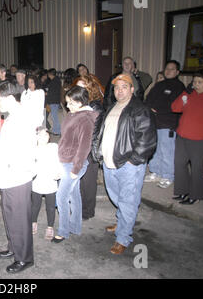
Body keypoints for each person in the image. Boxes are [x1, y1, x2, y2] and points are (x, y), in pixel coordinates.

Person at [92, 74, 156, 255]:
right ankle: (121, 223)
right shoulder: (113, 107)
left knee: (128, 201)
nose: (119, 90)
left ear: (132, 89)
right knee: (116, 197)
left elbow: (148, 139)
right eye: (117, 87)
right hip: (110, 162)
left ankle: (123, 237)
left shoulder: (139, 109)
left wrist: (133, 160)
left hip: (129, 165)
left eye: (124, 87)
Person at [0, 81, 38, 274]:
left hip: (17, 176)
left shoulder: (21, 117)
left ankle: (24, 257)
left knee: (18, 218)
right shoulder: (14, 115)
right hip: (9, 175)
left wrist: (6, 172)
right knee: (10, 215)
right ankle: (14, 247)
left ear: (10, 98)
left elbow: (22, 151)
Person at [52, 86, 98, 243]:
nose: (67, 106)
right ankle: (75, 227)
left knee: (61, 197)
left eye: (71, 102)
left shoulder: (85, 118)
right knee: (74, 195)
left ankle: (63, 231)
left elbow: (84, 146)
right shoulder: (74, 114)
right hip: (66, 160)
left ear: (80, 102)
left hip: (73, 163)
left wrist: (76, 168)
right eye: (67, 102)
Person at [171, 69, 203, 204]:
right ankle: (182, 191)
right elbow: (175, 108)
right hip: (183, 135)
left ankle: (196, 195)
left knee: (197, 166)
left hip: (201, 138)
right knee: (179, 164)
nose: (196, 85)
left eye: (200, 82)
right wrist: (185, 94)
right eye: (194, 82)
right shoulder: (190, 94)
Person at [144, 60, 185, 189]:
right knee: (154, 149)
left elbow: (175, 106)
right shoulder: (159, 85)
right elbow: (148, 99)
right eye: (167, 68)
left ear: (177, 72)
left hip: (168, 124)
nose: (168, 71)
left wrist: (158, 109)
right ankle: (155, 172)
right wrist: (151, 107)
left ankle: (168, 175)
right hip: (154, 122)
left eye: (172, 69)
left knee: (167, 151)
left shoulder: (179, 87)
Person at [73, 75, 105, 220]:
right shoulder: (79, 104)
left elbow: (93, 132)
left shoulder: (95, 106)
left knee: (88, 182)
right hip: (79, 147)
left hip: (89, 149)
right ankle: (80, 207)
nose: (80, 90)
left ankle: (87, 211)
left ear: (90, 88)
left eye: (83, 87)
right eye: (78, 87)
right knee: (79, 181)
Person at [31, 128, 62, 240]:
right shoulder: (32, 149)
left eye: (46, 135)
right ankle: (33, 222)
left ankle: (50, 227)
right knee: (35, 205)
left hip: (50, 181)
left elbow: (59, 161)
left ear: (49, 137)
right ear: (36, 137)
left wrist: (59, 173)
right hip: (37, 182)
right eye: (40, 135)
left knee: (50, 206)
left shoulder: (54, 147)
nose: (43, 137)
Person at [45, 69, 62, 136]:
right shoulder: (57, 80)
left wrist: (47, 93)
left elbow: (52, 92)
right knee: (54, 116)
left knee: (54, 116)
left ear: (49, 74)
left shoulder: (54, 81)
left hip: (53, 101)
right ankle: (56, 130)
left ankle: (57, 131)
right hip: (55, 100)